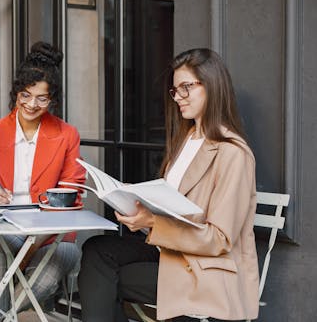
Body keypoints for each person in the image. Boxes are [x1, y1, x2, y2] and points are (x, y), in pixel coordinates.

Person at [78, 48, 259, 322]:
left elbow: (219, 239)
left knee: (103, 277)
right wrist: (133, 197)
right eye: (175, 91)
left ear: (212, 85)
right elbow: (171, 201)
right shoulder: (187, 139)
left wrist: (152, 223)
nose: (179, 98)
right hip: (169, 251)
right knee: (97, 250)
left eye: (186, 87)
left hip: (203, 266)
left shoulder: (233, 152)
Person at [0, 41, 86, 318]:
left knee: (44, 277)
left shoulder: (66, 135)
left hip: (53, 235)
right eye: (25, 95)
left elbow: (73, 192)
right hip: (3, 228)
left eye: (42, 98)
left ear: (52, 99)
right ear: (15, 93)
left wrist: (38, 232)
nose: (32, 104)